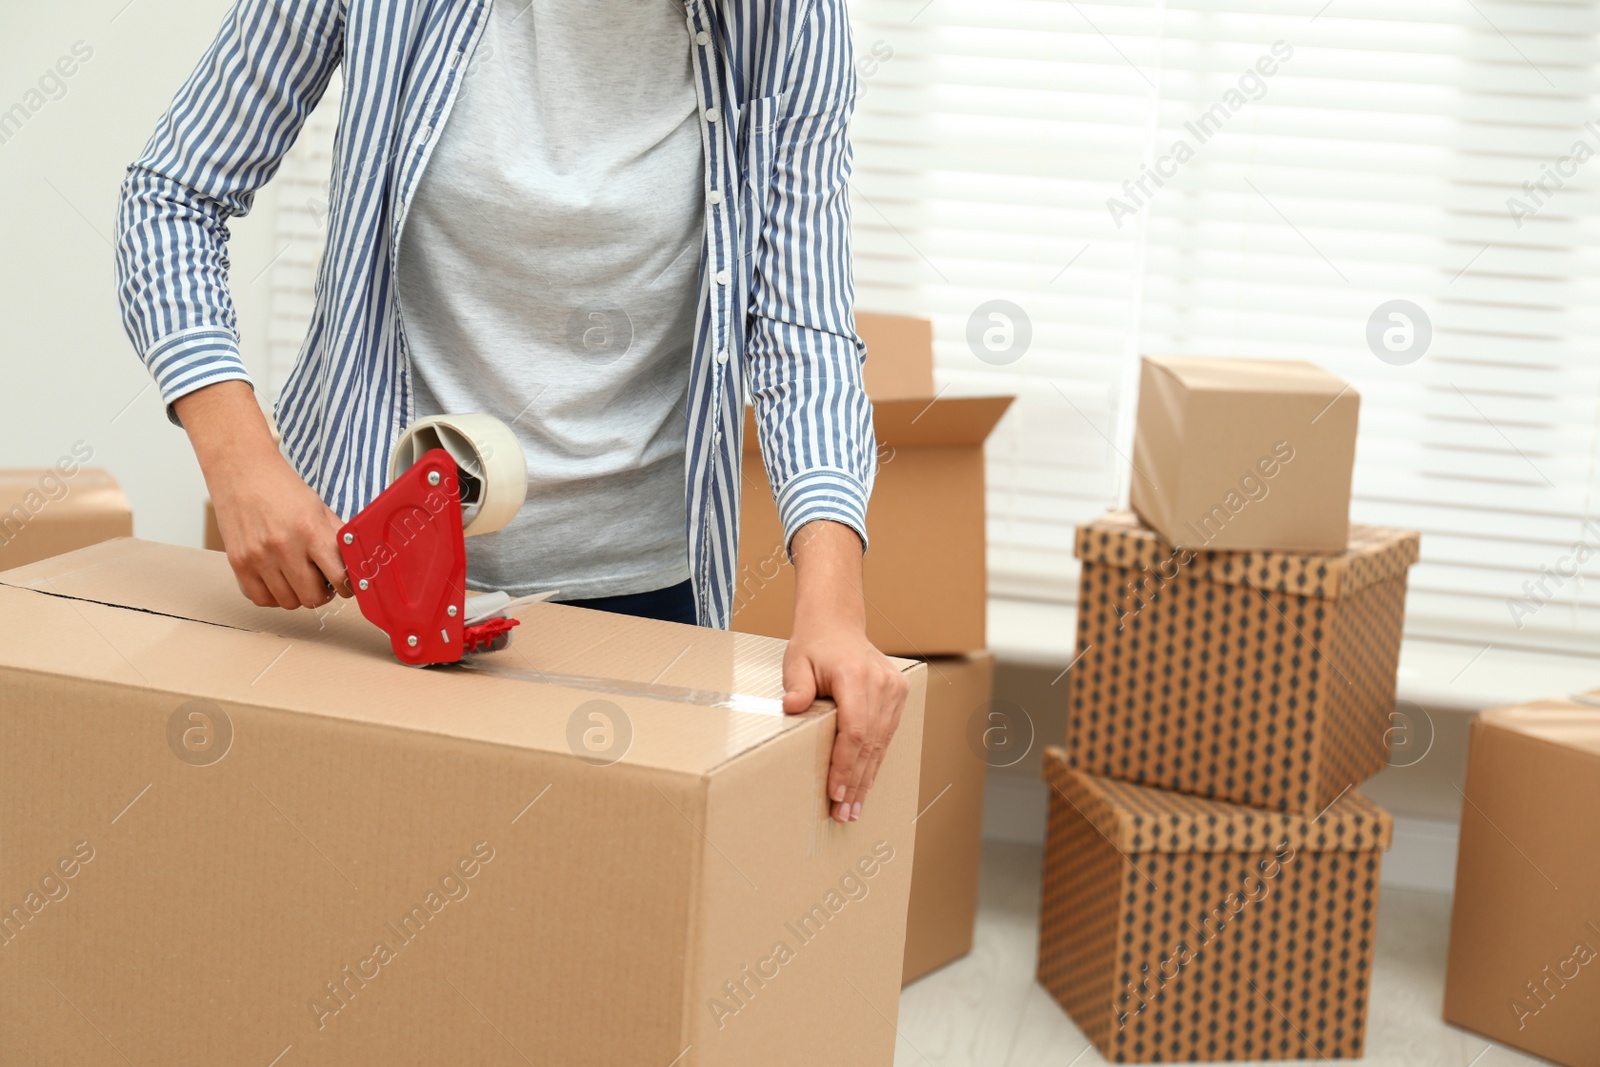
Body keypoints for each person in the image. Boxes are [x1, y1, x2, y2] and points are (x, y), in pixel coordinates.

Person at [114, 0, 905, 824]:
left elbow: (801, 324)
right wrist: (241, 461)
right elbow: (173, 196)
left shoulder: (787, 17)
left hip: (637, 602)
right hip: (364, 579)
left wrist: (834, 601)